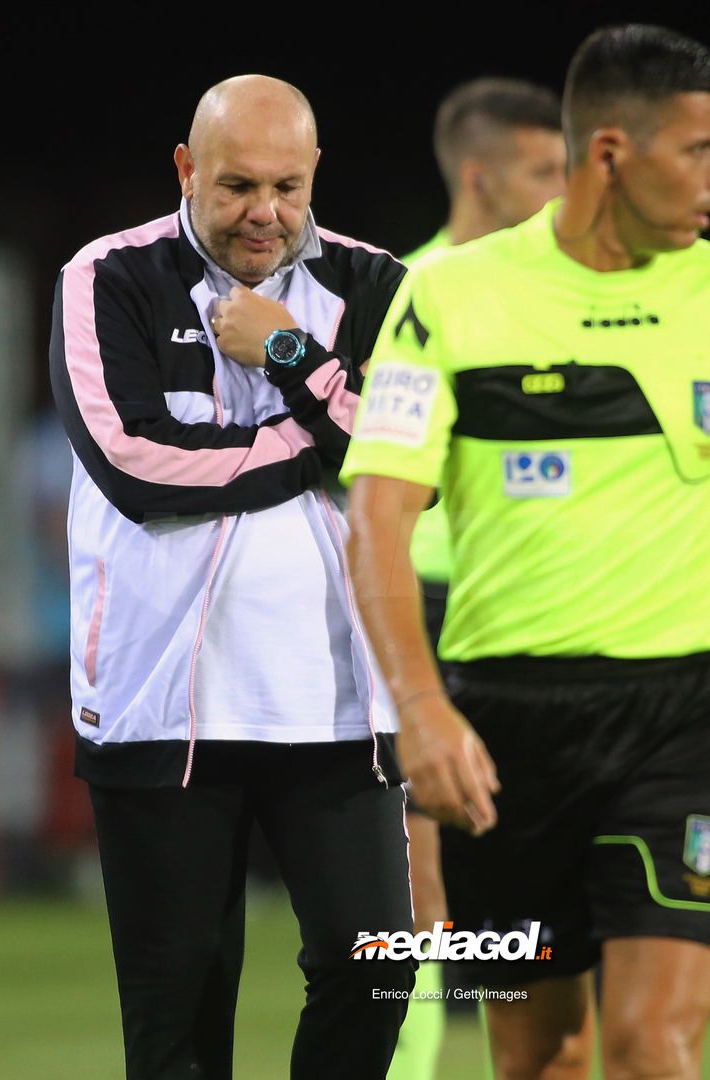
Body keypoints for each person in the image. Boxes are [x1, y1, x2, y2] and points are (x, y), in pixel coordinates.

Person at [342, 23, 710, 1080]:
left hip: (680, 720)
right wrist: (420, 710)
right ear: (608, 153)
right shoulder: (452, 294)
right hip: (504, 729)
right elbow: (377, 515)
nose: (707, 180)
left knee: (650, 1041)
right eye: (692, 152)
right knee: (540, 1054)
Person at [49, 74, 416, 1080]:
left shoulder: (376, 284)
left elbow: (404, 451)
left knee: (375, 969)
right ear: (186, 170)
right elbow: (137, 467)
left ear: (315, 178)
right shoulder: (108, 276)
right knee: (176, 1018)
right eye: (238, 185)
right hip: (162, 704)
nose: (265, 212)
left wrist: (292, 355)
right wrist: (318, 437)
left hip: (339, 705)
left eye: (287, 187)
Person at [389, 79, 566, 1080]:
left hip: (534, 620)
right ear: (477, 174)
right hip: (422, 615)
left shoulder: (563, 298)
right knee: (417, 893)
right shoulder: (404, 294)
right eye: (542, 169)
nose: (561, 189)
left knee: (536, 885)